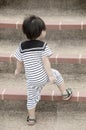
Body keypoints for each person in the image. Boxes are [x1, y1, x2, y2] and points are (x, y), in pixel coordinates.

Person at [14, 15, 72, 125]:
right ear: (41, 32)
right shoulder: (43, 46)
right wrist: (50, 76)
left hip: (31, 80)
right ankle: (64, 93)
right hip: (43, 76)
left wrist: (17, 71)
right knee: (57, 74)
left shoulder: (21, 46)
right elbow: (46, 63)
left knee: (31, 98)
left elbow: (19, 61)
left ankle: (31, 118)